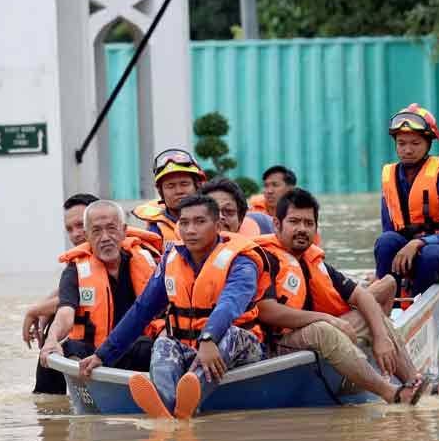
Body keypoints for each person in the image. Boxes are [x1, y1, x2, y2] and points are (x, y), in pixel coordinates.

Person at [257, 189, 439, 403]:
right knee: (324, 329)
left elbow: (362, 297)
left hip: (313, 331)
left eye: (308, 223)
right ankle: (390, 392)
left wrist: (380, 338)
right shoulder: (265, 258)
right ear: (276, 224)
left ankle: (418, 384)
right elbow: (267, 311)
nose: (302, 229)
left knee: (370, 315)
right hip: (277, 343)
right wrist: (327, 318)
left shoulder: (314, 261)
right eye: (294, 222)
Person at [79, 194, 269, 420]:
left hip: (240, 347)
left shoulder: (242, 261)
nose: (190, 230)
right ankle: (170, 410)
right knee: (164, 342)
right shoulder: (171, 259)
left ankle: (185, 400)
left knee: (230, 334)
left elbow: (230, 303)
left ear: (217, 225)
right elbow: (142, 309)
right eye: (184, 222)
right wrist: (103, 355)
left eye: (199, 222)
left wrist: (209, 338)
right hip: (190, 348)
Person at [38, 200, 164, 373]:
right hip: (91, 356)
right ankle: (48, 398)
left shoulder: (148, 261)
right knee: (54, 351)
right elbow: (65, 312)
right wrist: (51, 339)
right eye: (96, 231)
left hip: (134, 351)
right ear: (88, 236)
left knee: (149, 346)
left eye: (111, 228)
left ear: (124, 231)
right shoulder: (75, 269)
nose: (105, 237)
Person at [374, 104, 439, 301]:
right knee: (386, 241)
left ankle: (413, 304)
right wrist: (380, 270)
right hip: (412, 251)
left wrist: (417, 243)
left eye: (415, 143)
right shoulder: (390, 178)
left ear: (428, 144)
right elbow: (389, 230)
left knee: (430, 254)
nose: (407, 150)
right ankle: (390, 305)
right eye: (401, 143)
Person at [23, 192, 99, 394]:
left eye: (80, 225)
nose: (75, 234)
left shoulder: (128, 256)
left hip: (116, 346)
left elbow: (86, 293)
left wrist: (35, 310)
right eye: (69, 229)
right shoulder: (77, 265)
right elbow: (71, 293)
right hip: (88, 344)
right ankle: (48, 408)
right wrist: (46, 306)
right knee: (54, 339)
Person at [131, 149, 206, 245]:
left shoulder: (217, 219)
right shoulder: (155, 230)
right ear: (160, 192)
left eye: (184, 184)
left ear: (198, 186)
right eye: (170, 186)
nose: (179, 191)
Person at [201, 177, 274, 236]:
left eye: (228, 211)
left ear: (240, 220)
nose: (220, 216)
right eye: (212, 211)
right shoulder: (190, 251)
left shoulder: (261, 251)